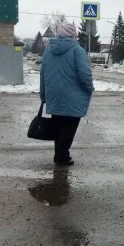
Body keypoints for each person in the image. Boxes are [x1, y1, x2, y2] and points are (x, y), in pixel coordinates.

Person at [40, 22, 95, 166]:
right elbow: (84, 73)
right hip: (73, 95)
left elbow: (43, 74)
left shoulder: (48, 50)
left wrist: (43, 94)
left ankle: (59, 154)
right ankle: (62, 156)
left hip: (54, 94)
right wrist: (89, 87)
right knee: (70, 125)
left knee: (58, 125)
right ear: (73, 34)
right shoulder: (77, 50)